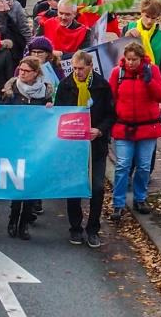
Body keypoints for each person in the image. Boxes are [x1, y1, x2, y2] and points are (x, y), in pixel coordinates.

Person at [54, 50, 114, 247]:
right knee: (74, 187)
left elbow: (110, 114)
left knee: (97, 187)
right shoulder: (65, 85)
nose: (77, 72)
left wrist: (100, 130)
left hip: (96, 145)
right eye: (74, 68)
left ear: (90, 67)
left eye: (81, 68)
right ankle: (75, 227)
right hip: (73, 146)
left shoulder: (101, 86)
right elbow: (58, 113)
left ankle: (93, 229)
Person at [110, 41, 161, 223]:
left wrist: (149, 80)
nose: (131, 63)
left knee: (143, 167)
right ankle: (118, 204)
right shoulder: (117, 73)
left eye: (134, 59)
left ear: (141, 58)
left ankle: (140, 198)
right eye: (128, 59)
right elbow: (111, 97)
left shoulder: (152, 71)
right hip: (124, 126)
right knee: (122, 166)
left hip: (147, 127)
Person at [0, 55, 54, 239]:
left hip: (37, 145)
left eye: (26, 71)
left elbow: (52, 118)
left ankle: (24, 224)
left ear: (36, 73)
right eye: (20, 70)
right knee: (18, 182)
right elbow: (1, 114)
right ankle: (13, 219)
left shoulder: (45, 92)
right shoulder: (11, 90)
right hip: (16, 143)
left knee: (32, 184)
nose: (22, 74)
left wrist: (51, 109)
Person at [124, 0, 161, 86]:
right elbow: (118, 56)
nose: (149, 21)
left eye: (153, 18)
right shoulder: (129, 28)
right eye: (147, 16)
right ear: (141, 13)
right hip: (129, 80)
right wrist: (126, 37)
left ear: (158, 17)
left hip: (152, 82)